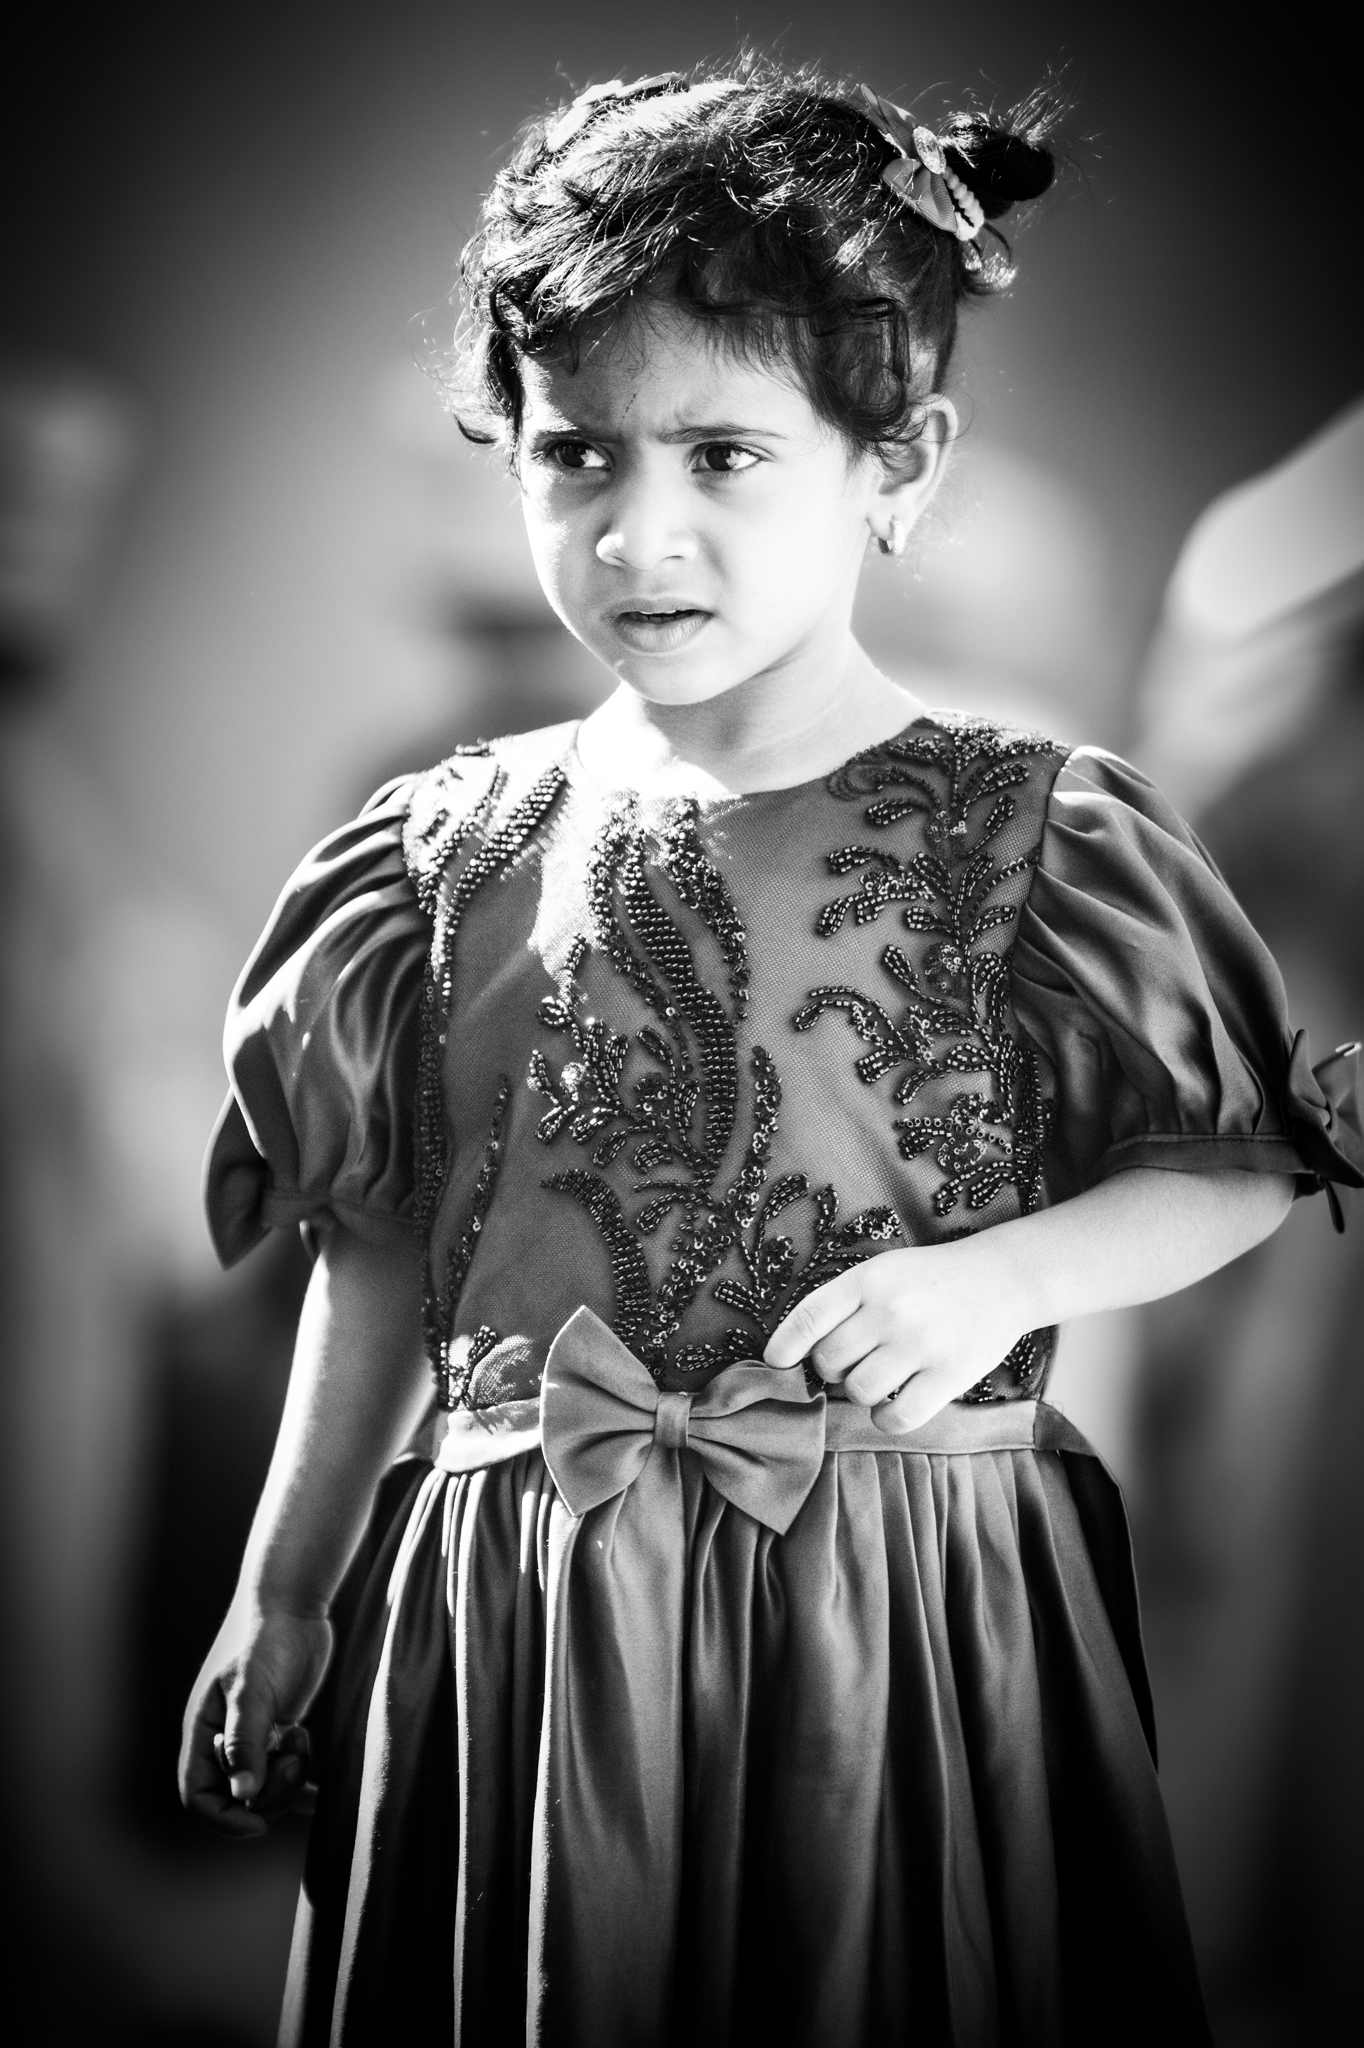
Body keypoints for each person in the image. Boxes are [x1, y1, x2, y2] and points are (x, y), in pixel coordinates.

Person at [179, 61, 1362, 2047]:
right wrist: (286, 1586)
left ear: (897, 463)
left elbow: (1228, 1161)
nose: (639, 531)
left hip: (894, 1600)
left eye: (723, 455)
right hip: (527, 1602)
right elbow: (373, 1242)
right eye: (577, 454)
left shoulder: (1035, 830)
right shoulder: (439, 857)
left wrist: (999, 1280)